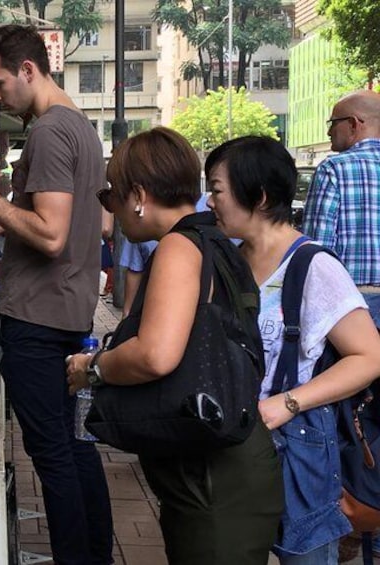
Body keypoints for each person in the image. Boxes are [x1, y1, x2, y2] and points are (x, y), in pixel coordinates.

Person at [67, 127, 283, 564]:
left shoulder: (179, 248)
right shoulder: (215, 242)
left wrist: (92, 367)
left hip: (213, 482)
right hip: (227, 460)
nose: (111, 208)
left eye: (112, 195)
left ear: (139, 195)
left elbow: (156, 354)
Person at [0, 24, 113, 565]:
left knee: (53, 454)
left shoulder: (47, 132)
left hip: (38, 320)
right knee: (74, 447)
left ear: (28, 70)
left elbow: (50, 232)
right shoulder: (81, 128)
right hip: (67, 310)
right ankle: (94, 554)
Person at [206, 135, 380, 564]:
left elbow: (369, 357)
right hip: (233, 442)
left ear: (260, 197)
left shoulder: (313, 266)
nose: (209, 201)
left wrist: (288, 402)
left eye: (217, 189)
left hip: (297, 445)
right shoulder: (226, 260)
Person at [302, 89, 380, 328]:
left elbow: (317, 250)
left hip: (352, 303)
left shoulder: (334, 169)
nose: (328, 132)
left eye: (333, 123)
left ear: (354, 124)